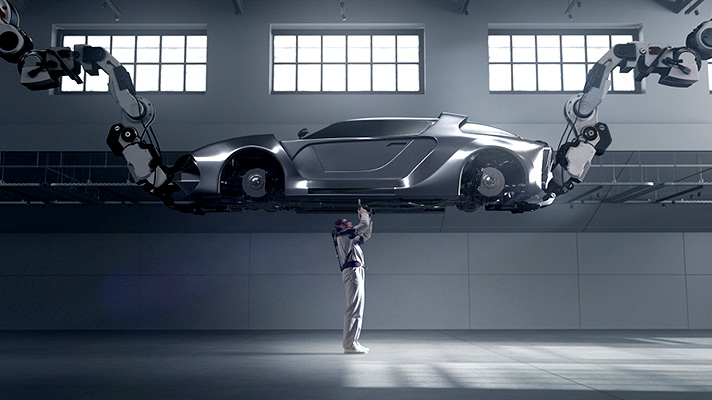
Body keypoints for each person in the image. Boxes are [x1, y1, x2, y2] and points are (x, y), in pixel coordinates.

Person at [333, 206, 373, 354]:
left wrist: (369, 218)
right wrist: (363, 215)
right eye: (346, 222)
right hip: (352, 272)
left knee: (358, 308)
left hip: (357, 271)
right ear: (341, 226)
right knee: (353, 308)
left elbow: (366, 234)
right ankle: (349, 344)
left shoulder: (350, 238)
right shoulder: (343, 235)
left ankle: (353, 342)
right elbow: (363, 225)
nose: (349, 223)